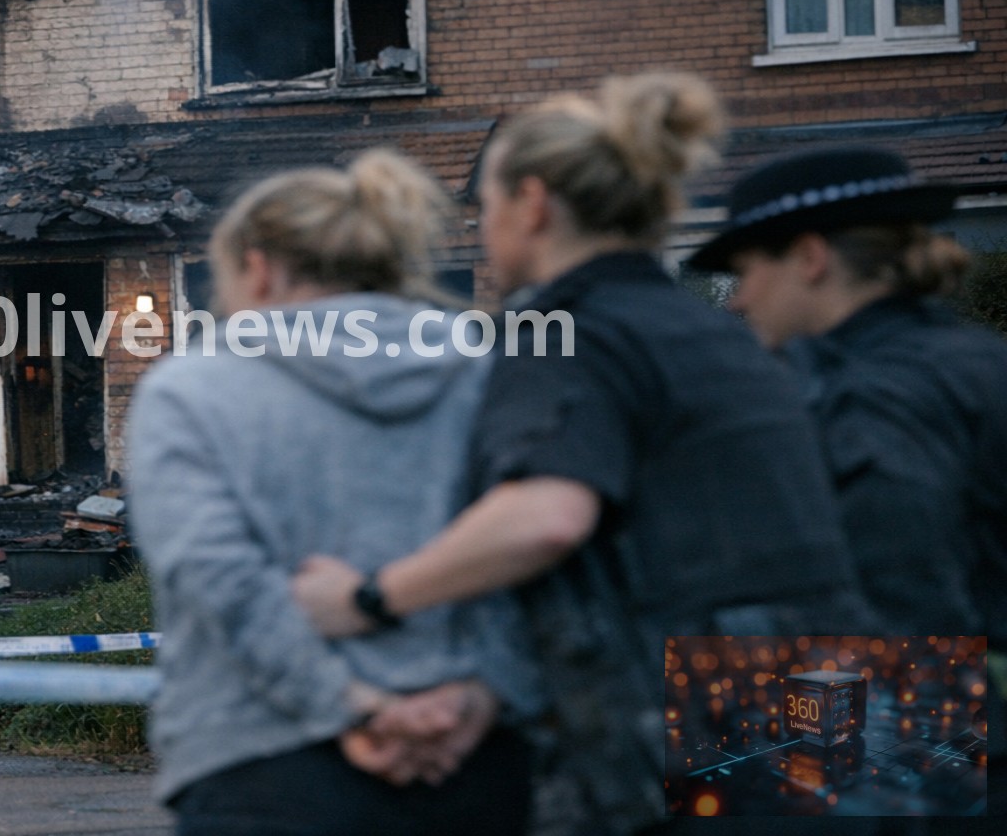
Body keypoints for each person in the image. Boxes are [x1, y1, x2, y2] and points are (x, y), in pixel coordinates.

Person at [291, 74, 873, 834]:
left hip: (699, 719)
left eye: (489, 205)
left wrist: (371, 596)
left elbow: (547, 517)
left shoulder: (566, 330)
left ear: (533, 203)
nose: (486, 226)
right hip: (840, 692)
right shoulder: (722, 335)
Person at [128, 150, 543, 835]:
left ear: (257, 267)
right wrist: (479, 694)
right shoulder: (491, 369)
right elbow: (534, 551)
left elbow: (220, 581)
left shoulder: (192, 389)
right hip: (472, 753)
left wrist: (354, 706)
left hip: (258, 763)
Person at [691, 145, 1007, 822]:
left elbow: (888, 613)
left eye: (747, 271)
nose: (740, 297)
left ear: (809, 258)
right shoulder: (982, 362)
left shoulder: (865, 398)